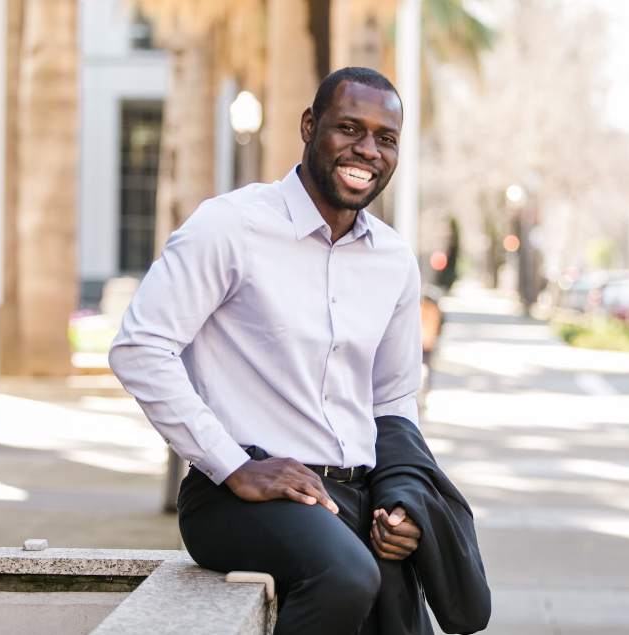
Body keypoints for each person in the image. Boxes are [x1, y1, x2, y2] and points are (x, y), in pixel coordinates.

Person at [110, 67, 488, 635]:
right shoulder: (230, 226)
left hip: (355, 497)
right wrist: (235, 466)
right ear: (310, 126)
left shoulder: (393, 260)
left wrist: (400, 501)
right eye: (349, 129)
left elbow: (392, 399)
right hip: (235, 498)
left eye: (385, 138)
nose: (367, 150)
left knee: (394, 606)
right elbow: (140, 348)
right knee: (347, 575)